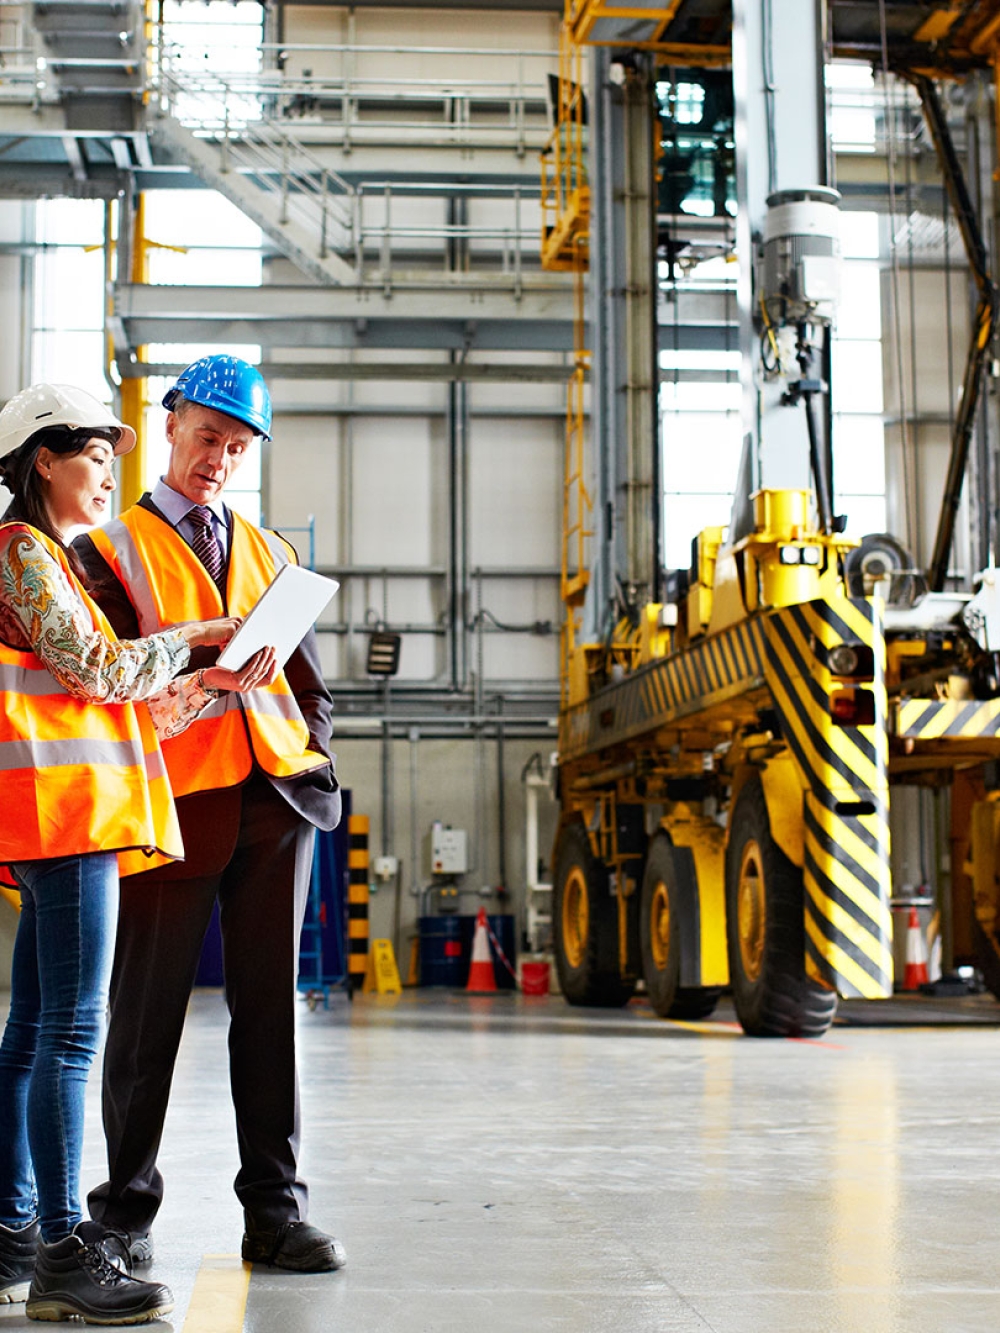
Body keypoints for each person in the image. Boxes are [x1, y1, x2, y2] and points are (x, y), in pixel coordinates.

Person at [0, 382, 276, 1324]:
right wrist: (198, 637)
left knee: (32, 1033)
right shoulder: (24, 551)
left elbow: (113, 698)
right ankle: (61, 1253)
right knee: (71, 1034)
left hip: (64, 815)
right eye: (92, 456)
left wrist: (208, 676)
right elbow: (100, 670)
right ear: (43, 460)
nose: (106, 473)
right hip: (72, 817)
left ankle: (14, 1231)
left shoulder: (48, 558)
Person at [74, 355, 345, 1274]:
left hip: (276, 799)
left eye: (236, 446)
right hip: (173, 804)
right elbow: (103, 688)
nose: (218, 459)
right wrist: (201, 678)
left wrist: (314, 752)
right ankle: (122, 1213)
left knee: (271, 1014)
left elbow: (309, 684)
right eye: (207, 437)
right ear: (171, 424)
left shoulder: (272, 553)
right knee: (145, 1013)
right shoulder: (107, 552)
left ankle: (275, 1210)